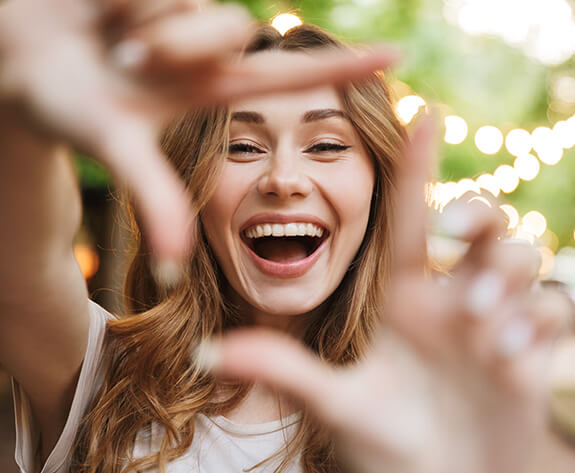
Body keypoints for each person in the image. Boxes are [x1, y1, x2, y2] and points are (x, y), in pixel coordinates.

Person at [0, 0, 573, 472]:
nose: (283, 179)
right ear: (192, 183)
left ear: (380, 188)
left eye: (326, 145)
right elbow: (21, 259)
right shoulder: (100, 374)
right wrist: (19, 114)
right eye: (242, 147)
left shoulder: (452, 404)